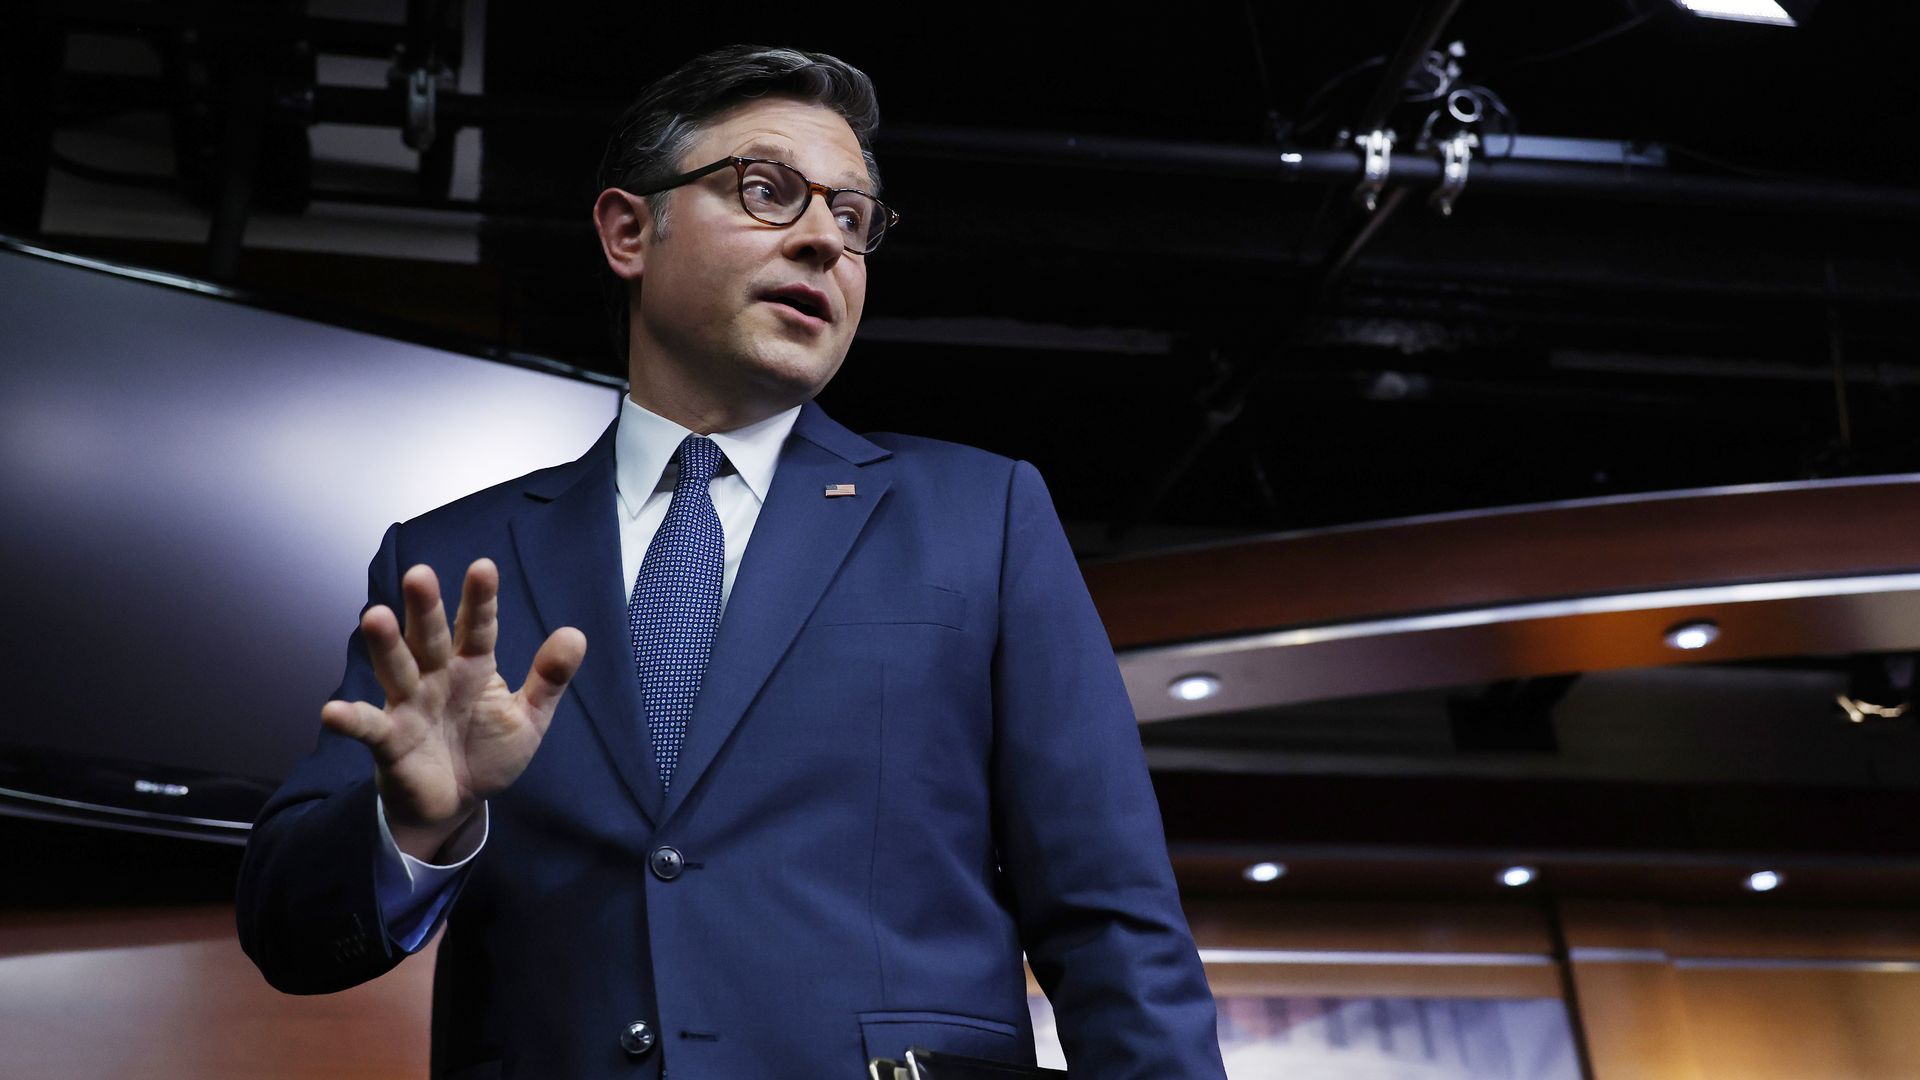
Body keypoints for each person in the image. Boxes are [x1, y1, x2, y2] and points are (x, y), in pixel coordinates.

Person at [237, 44, 1226, 1080]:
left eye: (852, 219)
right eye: (768, 191)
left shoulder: (984, 517)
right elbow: (290, 937)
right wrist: (416, 824)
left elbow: (1114, 921)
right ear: (629, 231)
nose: (822, 243)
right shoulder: (449, 563)